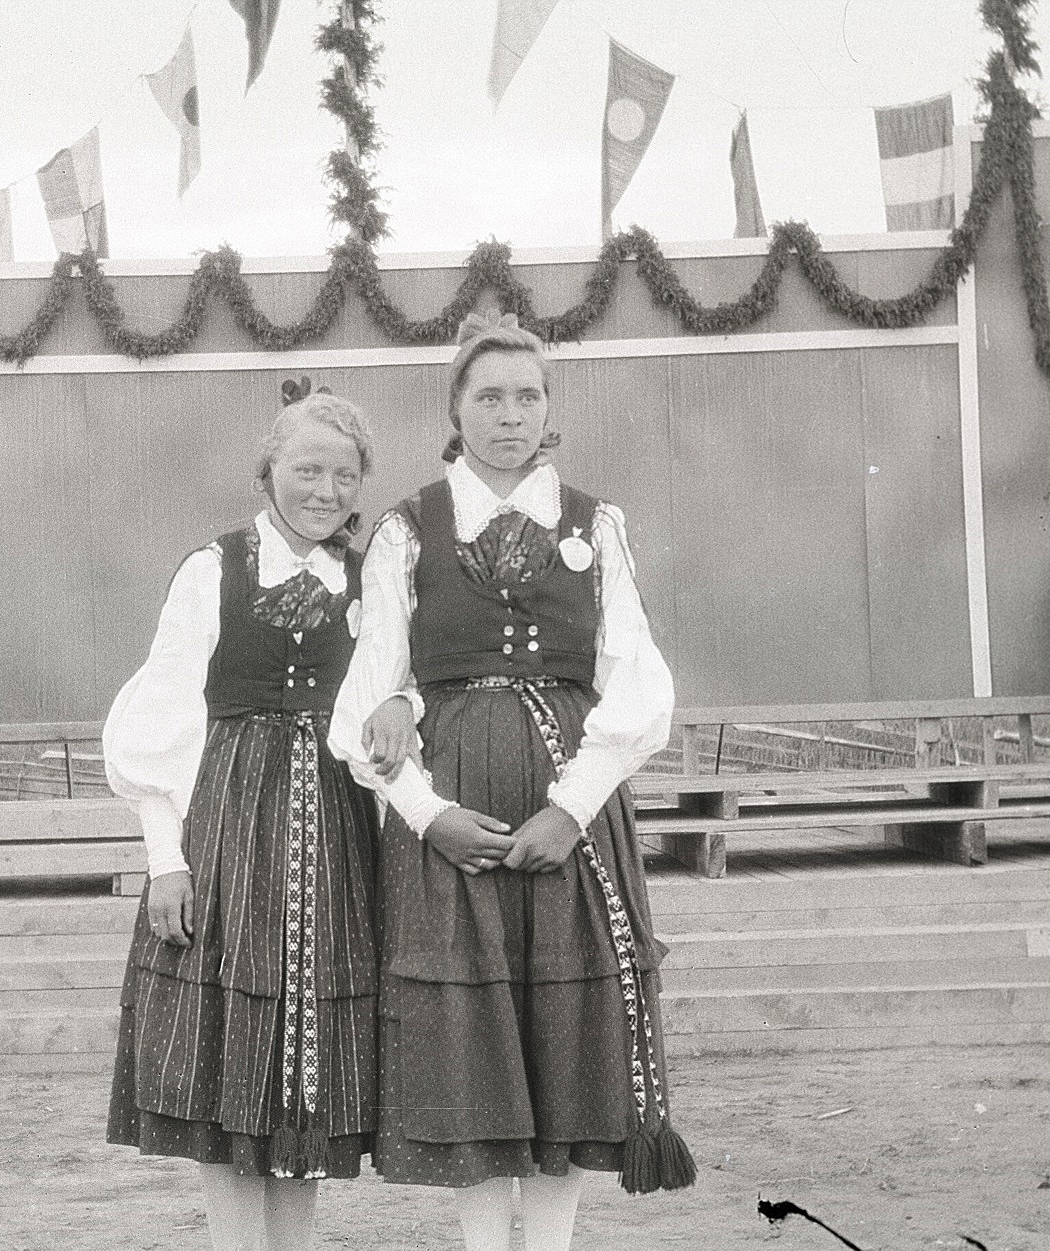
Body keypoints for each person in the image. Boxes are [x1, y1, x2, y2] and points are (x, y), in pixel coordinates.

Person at [329, 312, 694, 1251]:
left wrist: (571, 809)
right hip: (455, 810)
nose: (508, 415)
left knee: (562, 1029)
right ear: (454, 408)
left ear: (548, 410)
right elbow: (365, 698)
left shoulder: (591, 523)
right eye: (488, 396)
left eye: (526, 396)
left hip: (566, 805)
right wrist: (427, 814)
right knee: (476, 1037)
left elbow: (641, 682)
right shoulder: (406, 532)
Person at [104, 388, 381, 1251]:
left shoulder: (367, 579)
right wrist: (164, 858)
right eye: (306, 469)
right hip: (229, 825)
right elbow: (162, 710)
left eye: (342, 474)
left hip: (333, 836)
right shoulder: (214, 569)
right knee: (231, 1053)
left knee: (309, 1068)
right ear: (268, 469)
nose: (323, 490)